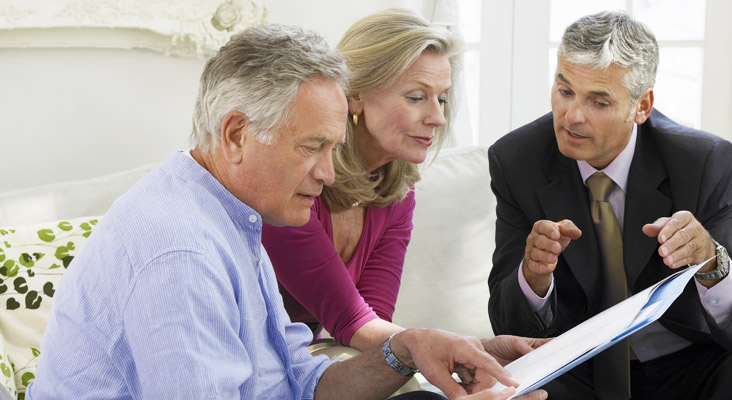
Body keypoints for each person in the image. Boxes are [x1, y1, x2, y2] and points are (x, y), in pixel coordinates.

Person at [29, 24, 545, 400]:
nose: (327, 174)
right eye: (312, 147)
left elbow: (301, 380)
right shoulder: (180, 252)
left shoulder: (236, 214)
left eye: (334, 147)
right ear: (236, 135)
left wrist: (407, 348)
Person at [486, 11, 732, 400]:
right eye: (565, 92)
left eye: (598, 102)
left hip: (692, 355)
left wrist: (711, 261)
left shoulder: (701, 162)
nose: (572, 116)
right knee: (518, 388)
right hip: (579, 366)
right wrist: (533, 278)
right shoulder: (517, 161)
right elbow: (507, 329)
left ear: (642, 106)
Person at [261, 8, 484, 354]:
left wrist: (478, 351)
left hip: (308, 357)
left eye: (441, 98)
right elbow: (350, 321)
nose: (438, 117)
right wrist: (452, 350)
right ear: (355, 94)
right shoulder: (297, 177)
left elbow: (373, 320)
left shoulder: (397, 193)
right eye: (416, 97)